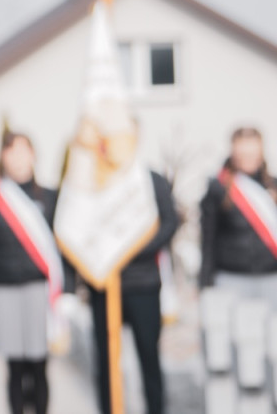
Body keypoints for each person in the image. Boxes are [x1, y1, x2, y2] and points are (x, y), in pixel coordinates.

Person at [0, 132, 75, 414]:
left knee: (39, 365)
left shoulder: (50, 198)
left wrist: (69, 290)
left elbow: (64, 248)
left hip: (41, 292)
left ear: (33, 155)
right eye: (11, 152)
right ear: (2, 157)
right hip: (5, 291)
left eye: (23, 151)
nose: (18, 158)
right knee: (15, 367)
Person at [86, 154, 178, 414]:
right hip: (104, 284)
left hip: (144, 282)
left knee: (149, 357)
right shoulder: (92, 180)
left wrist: (132, 251)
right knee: (105, 361)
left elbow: (169, 222)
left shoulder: (150, 179)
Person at [199, 127, 277, 390]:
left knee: (272, 346)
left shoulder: (272, 186)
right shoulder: (218, 188)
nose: (247, 155)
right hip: (232, 278)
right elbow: (208, 237)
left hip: (271, 276)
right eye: (242, 149)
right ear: (233, 151)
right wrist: (205, 282)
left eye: (252, 149)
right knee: (237, 345)